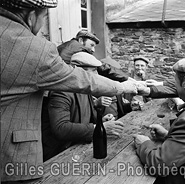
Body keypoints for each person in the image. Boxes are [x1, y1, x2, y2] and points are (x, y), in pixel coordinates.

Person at [0, 1, 136, 182]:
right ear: (31, 16)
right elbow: (81, 83)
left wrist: (101, 112)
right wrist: (123, 86)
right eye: (44, 17)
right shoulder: (36, 50)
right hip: (16, 159)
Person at [42, 52, 124, 161]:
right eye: (94, 70)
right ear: (80, 72)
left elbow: (87, 117)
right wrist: (97, 128)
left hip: (77, 148)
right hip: (58, 154)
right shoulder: (61, 92)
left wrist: (102, 121)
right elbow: (60, 128)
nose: (97, 75)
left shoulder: (86, 91)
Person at [58, 30, 129, 82]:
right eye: (91, 45)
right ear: (81, 40)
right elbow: (102, 68)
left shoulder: (66, 46)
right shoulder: (79, 49)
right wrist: (126, 78)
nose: (93, 50)